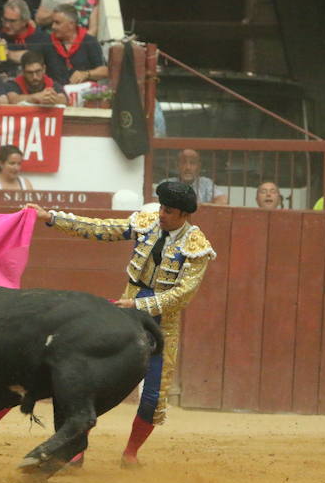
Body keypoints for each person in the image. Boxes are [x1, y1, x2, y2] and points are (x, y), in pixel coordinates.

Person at [25, 181, 216, 467]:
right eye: (161, 207)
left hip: (161, 326)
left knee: (153, 397)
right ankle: (74, 447)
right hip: (124, 315)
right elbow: (101, 228)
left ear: (184, 215)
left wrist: (138, 305)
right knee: (91, 380)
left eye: (169, 211)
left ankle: (130, 453)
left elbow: (181, 295)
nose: (161, 214)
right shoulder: (147, 223)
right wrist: (51, 217)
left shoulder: (197, 246)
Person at [41, 3, 106, 86]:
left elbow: (104, 71)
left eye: (57, 23)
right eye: (52, 22)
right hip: (56, 91)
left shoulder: (89, 41)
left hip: (84, 90)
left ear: (71, 24)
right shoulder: (46, 42)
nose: (53, 26)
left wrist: (86, 74)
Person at [0, 0, 47, 79]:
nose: (7, 25)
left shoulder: (41, 39)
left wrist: (8, 54)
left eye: (12, 21)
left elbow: (33, 58)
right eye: (5, 20)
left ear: (24, 21)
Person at [160, 149, 228, 205]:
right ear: (177, 166)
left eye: (192, 163)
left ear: (199, 167)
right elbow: (156, 203)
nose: (188, 167)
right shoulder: (167, 183)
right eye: (183, 162)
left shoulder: (206, 183)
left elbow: (222, 200)